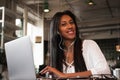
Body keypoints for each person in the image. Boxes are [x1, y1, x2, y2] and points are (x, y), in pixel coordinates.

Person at [40, 10, 111, 78]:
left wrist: (65, 75)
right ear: (57, 31)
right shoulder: (57, 54)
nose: (70, 26)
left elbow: (104, 71)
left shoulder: (89, 45)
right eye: (64, 24)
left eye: (71, 22)